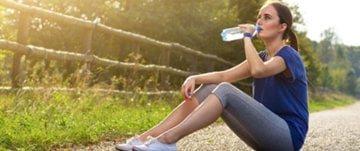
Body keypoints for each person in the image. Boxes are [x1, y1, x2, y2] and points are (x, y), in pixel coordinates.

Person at [115, 0, 308, 150]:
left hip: (287, 138)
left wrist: (247, 37)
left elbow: (258, 70)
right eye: (259, 17)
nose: (259, 21)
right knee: (210, 88)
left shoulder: (289, 55)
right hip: (264, 135)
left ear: (282, 27)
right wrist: (195, 78)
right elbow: (224, 76)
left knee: (225, 91)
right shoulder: (262, 56)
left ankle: (166, 141)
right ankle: (143, 139)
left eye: (267, 17)